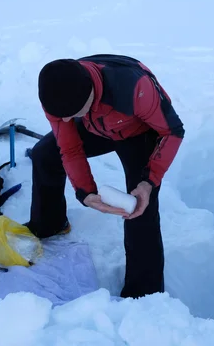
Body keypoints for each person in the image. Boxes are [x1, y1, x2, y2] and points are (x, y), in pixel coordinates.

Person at [27, 54, 185, 299]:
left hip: (139, 130)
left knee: (140, 208)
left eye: (72, 114)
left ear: (90, 94)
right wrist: (85, 191)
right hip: (96, 124)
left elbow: (172, 131)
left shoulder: (135, 88)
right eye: (62, 117)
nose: (66, 120)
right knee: (44, 155)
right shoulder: (56, 92)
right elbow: (69, 148)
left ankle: (144, 295)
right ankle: (49, 224)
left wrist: (149, 181)